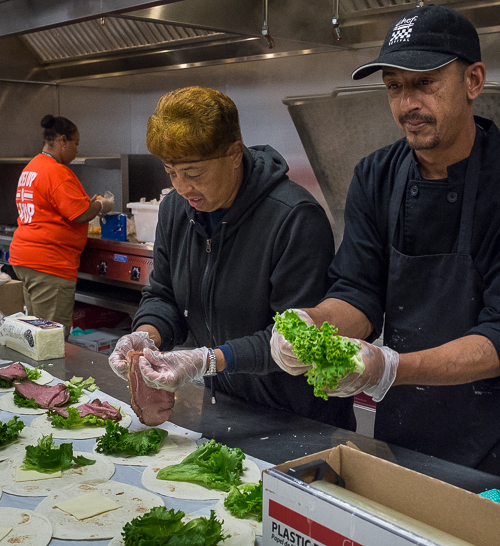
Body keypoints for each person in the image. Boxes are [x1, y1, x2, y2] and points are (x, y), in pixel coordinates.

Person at [270, 4, 500, 486]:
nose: (407, 103)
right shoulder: (375, 176)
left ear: (473, 81)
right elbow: (358, 291)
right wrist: (309, 323)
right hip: (406, 419)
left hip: (498, 433)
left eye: (425, 82)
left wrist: (388, 367)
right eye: (394, 86)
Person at [108, 86, 355, 430]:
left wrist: (210, 360)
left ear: (235, 154)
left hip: (299, 417)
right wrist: (146, 336)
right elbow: (164, 296)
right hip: (225, 405)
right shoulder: (176, 211)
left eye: (193, 173)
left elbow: (295, 337)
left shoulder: (293, 217)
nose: (182, 187)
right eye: (171, 172)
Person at [9, 115, 114, 337]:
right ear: (63, 141)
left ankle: (36, 372)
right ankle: (48, 373)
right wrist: (101, 205)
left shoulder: (33, 167)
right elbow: (81, 213)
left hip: (26, 259)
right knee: (50, 340)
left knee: (34, 333)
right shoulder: (56, 172)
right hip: (49, 264)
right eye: (76, 144)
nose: (77, 150)